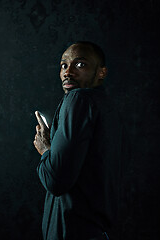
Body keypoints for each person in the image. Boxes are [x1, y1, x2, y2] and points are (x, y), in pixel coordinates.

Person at [33, 41, 130, 240]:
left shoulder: (78, 99)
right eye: (63, 65)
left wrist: (45, 149)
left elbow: (55, 181)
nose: (68, 72)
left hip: (72, 231)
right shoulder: (107, 107)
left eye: (80, 64)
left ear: (101, 72)